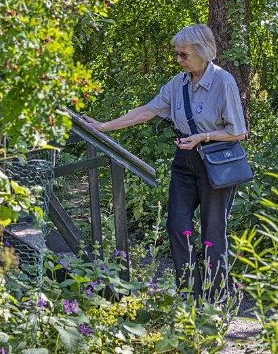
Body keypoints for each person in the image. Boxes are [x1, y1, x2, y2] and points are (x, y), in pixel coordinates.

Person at [83, 24, 248, 302]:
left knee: (213, 233)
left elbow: (238, 132)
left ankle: (217, 298)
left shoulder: (223, 82)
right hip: (185, 161)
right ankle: (189, 295)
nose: (179, 60)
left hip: (216, 161)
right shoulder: (178, 83)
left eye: (183, 55)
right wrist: (104, 126)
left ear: (202, 52)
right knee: (177, 226)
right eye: (177, 54)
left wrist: (202, 137)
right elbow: (148, 110)